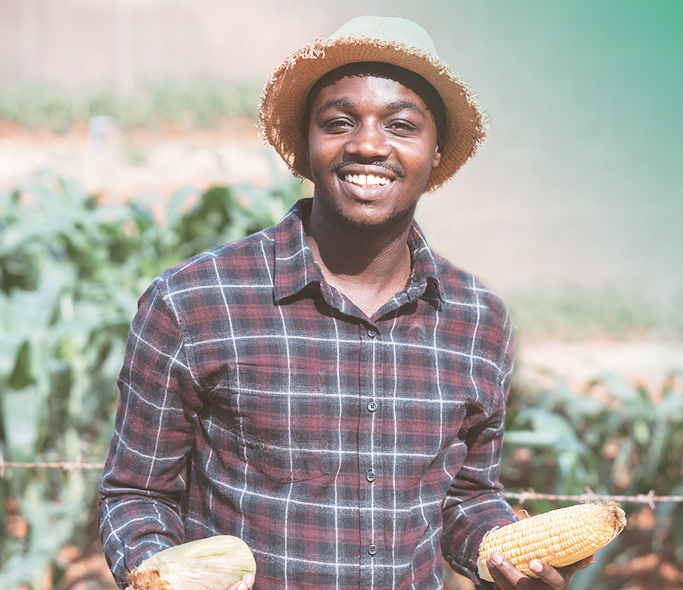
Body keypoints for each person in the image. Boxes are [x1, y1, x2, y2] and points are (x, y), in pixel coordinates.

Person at [98, 16, 593, 590]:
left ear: (435, 154)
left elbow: (464, 497)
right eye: (338, 122)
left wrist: (508, 553)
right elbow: (137, 493)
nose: (367, 144)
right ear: (307, 148)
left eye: (401, 126)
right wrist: (157, 572)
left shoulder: (477, 322)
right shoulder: (194, 303)